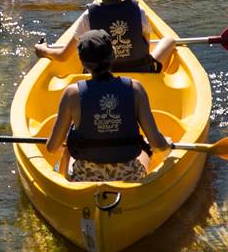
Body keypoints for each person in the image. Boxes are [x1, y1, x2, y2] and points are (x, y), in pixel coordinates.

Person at [45, 30, 171, 183]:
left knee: (68, 149)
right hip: (127, 176)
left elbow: (52, 148)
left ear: (82, 62)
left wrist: (68, 137)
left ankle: (65, 185)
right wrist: (167, 143)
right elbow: (157, 143)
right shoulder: (135, 88)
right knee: (146, 148)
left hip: (86, 177)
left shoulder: (72, 93)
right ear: (113, 56)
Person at [34, 0, 174, 72]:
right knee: (169, 41)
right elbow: (146, 45)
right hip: (141, 72)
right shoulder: (139, 11)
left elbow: (63, 56)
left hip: (103, 75)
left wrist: (43, 50)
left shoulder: (88, 17)